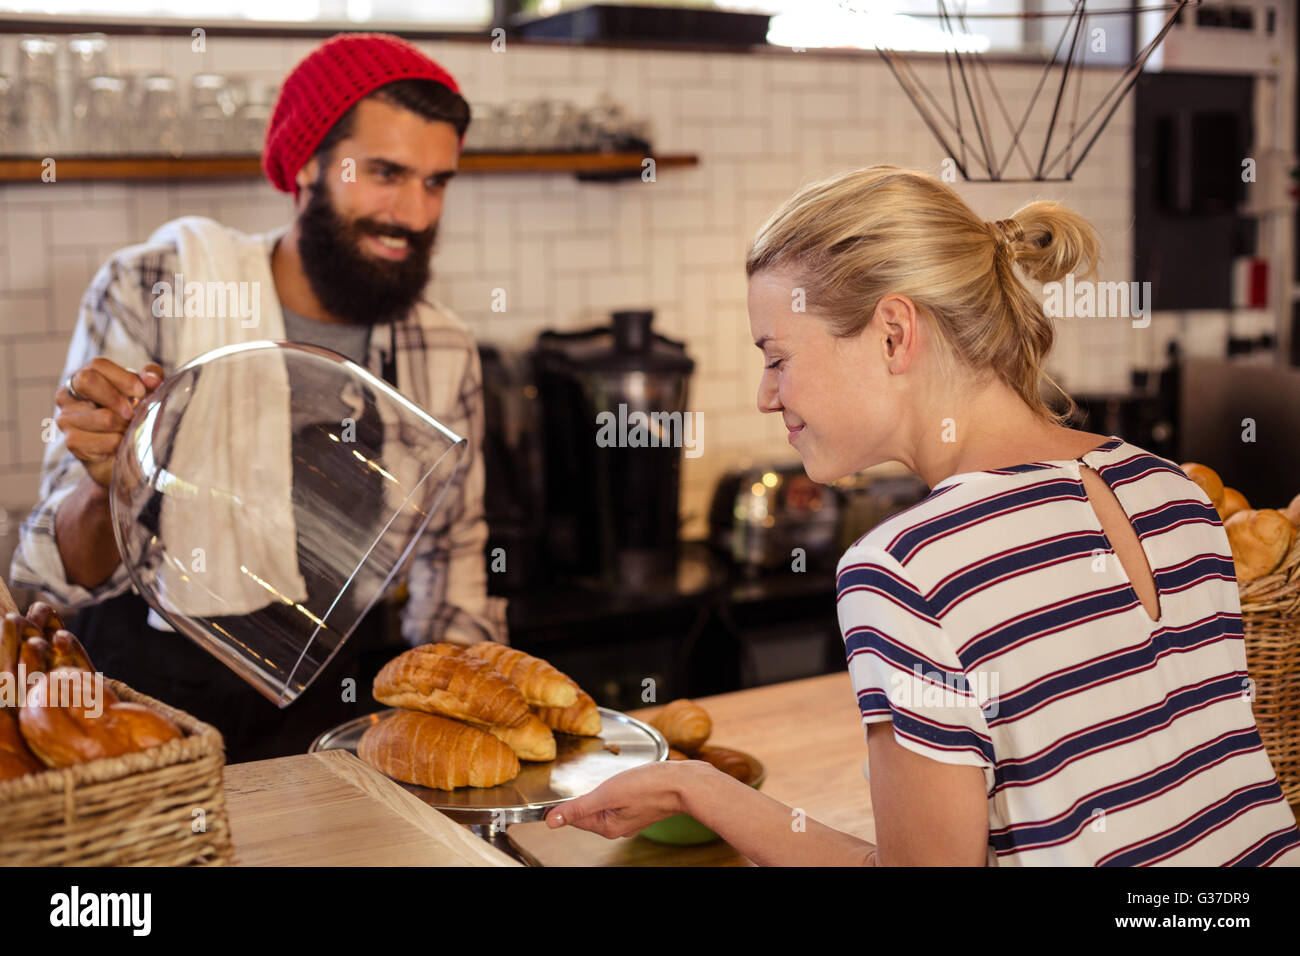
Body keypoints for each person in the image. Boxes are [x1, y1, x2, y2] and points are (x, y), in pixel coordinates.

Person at [544, 165, 1300, 866]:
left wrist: (698, 790)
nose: (766, 395)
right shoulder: (1168, 486)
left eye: (777, 357)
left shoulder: (907, 568)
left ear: (893, 333)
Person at [9, 33, 507, 763]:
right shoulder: (159, 290)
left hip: (323, 711)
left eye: (437, 182)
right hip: (142, 709)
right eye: (385, 173)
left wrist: (462, 717)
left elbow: (453, 557)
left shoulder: (443, 347)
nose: (415, 213)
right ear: (306, 162)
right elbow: (52, 575)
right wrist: (104, 480)